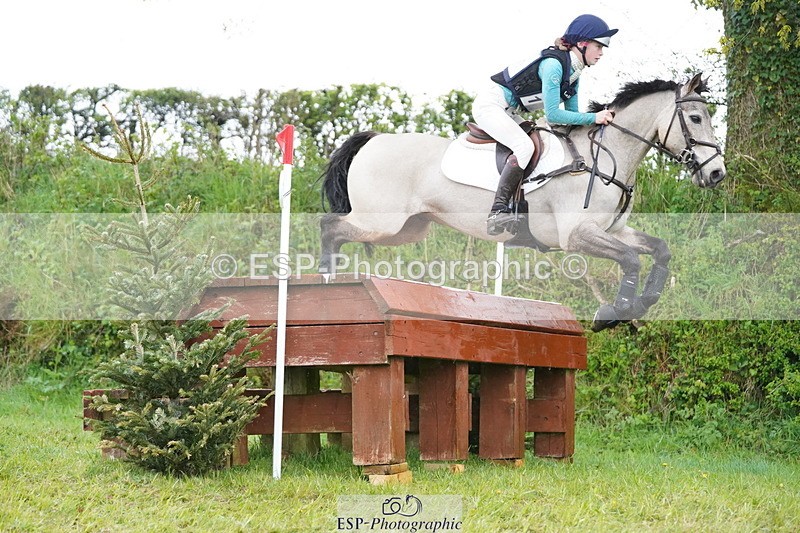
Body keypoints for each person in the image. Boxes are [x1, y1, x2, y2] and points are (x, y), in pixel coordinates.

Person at [472, 14, 618, 235]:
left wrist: (597, 124)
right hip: (491, 105)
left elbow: (571, 116)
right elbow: (553, 115)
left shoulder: (574, 73)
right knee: (524, 146)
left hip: (509, 111)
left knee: (539, 143)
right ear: (582, 44)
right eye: (599, 46)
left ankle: (521, 206)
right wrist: (593, 117)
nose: (601, 53)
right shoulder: (554, 65)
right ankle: (497, 211)